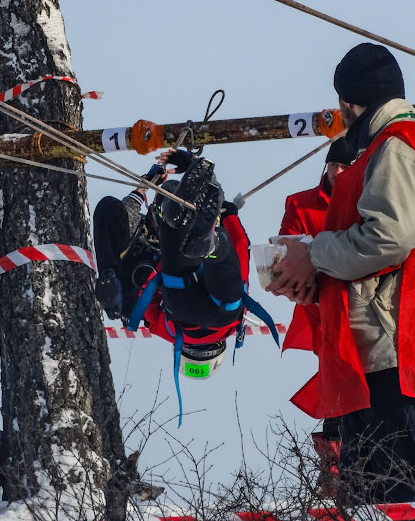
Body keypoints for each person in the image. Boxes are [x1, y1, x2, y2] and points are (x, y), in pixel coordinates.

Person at [268, 43, 415, 521]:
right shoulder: (387, 148)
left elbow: (389, 238)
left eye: (342, 103)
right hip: (377, 356)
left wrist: (312, 254)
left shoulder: (398, 145)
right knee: (374, 515)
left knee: (406, 511)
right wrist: (316, 280)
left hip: (396, 357)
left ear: (351, 101)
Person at [92, 149, 278, 423]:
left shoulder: (232, 326)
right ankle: (184, 222)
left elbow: (240, 252)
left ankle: (210, 239)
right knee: (175, 249)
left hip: (223, 307)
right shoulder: (166, 331)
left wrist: (229, 215)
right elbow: (145, 301)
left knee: (217, 253)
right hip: (179, 303)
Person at [278, 135, 356, 494]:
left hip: (362, 310)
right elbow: (282, 258)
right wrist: (293, 285)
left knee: (358, 387)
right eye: (334, 164)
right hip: (320, 310)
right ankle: (334, 467)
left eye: (345, 166)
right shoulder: (301, 203)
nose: (338, 172)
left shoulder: (368, 201)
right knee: (338, 379)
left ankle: (345, 467)